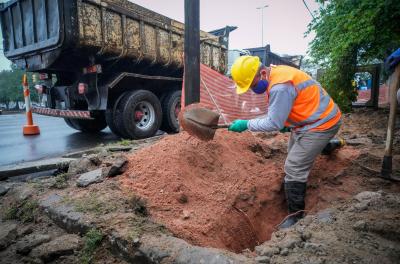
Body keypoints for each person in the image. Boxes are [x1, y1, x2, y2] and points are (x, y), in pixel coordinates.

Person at [228, 56, 342, 228]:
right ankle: (325, 145)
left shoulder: (280, 86)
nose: (252, 89)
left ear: (263, 73)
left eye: (252, 84)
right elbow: (286, 109)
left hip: (321, 123)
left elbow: (274, 122)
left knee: (294, 166)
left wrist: (246, 124)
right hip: (309, 121)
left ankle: (296, 217)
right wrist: (286, 123)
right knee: (295, 152)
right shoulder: (276, 74)